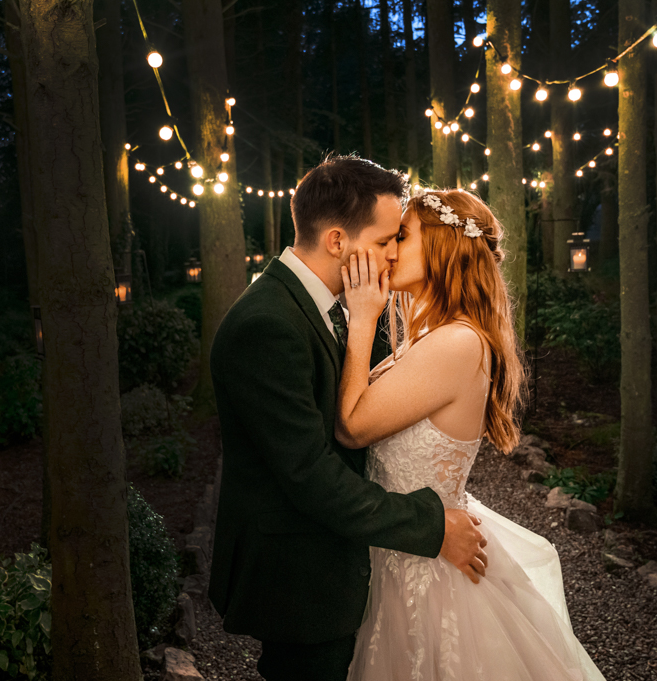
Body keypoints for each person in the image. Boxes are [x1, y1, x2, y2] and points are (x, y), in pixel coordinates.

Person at [208, 156, 489, 681]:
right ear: (338, 241)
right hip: (302, 584)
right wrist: (430, 525)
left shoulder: (336, 307)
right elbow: (310, 475)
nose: (391, 254)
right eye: (386, 240)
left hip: (349, 572)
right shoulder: (266, 324)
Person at [338, 189, 606, 681]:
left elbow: (353, 427)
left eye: (402, 235)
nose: (389, 250)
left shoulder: (457, 343)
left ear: (443, 247)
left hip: (425, 573)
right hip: (403, 549)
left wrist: (361, 319)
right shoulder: (433, 337)